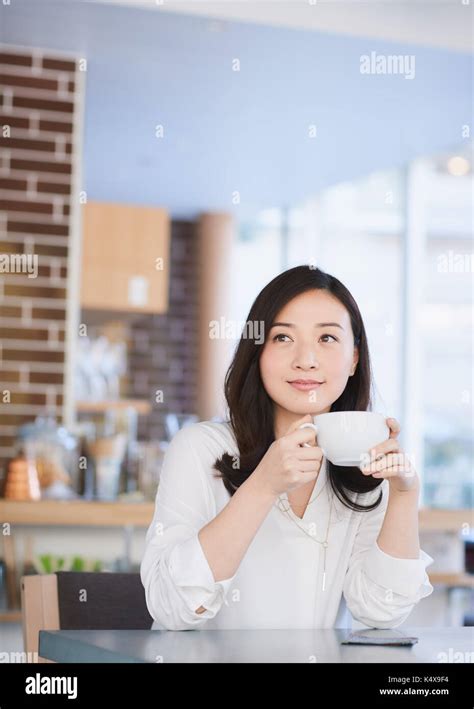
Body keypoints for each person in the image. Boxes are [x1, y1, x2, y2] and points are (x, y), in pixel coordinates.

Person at [141, 265, 433, 630]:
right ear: (258, 352)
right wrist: (263, 486)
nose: (305, 359)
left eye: (327, 338)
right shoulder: (200, 449)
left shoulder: (360, 464)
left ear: (354, 357)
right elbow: (172, 607)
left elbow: (381, 611)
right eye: (282, 338)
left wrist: (405, 497)